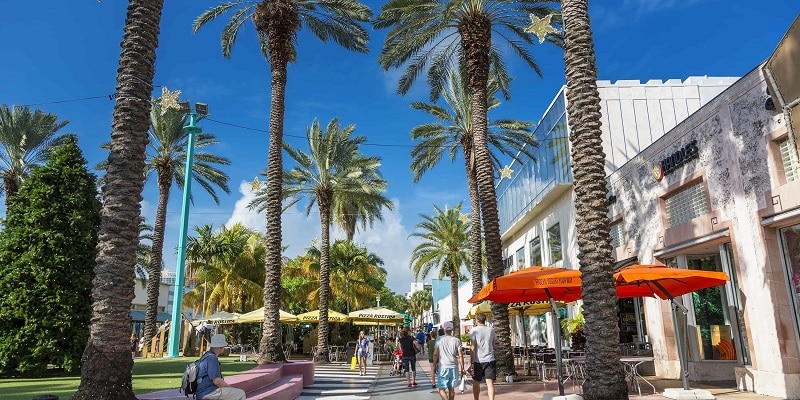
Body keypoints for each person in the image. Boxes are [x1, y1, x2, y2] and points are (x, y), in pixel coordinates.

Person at [196, 334, 246, 400]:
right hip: (209, 392)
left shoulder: (206, 355)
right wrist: (230, 387)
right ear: (220, 347)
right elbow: (217, 381)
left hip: (202, 392)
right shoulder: (212, 359)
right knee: (240, 393)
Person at [470, 313, 497, 400]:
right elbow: (494, 345)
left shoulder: (474, 330)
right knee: (490, 383)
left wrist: (472, 362)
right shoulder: (491, 330)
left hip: (478, 360)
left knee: (476, 382)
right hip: (490, 359)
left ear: (477, 320)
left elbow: (473, 347)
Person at [434, 325, 464, 400]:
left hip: (443, 366)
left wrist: (434, 365)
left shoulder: (439, 339)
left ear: (444, 330)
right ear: (452, 330)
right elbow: (460, 355)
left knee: (441, 389)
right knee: (451, 389)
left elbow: (435, 353)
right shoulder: (456, 340)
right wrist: (462, 368)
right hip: (453, 367)